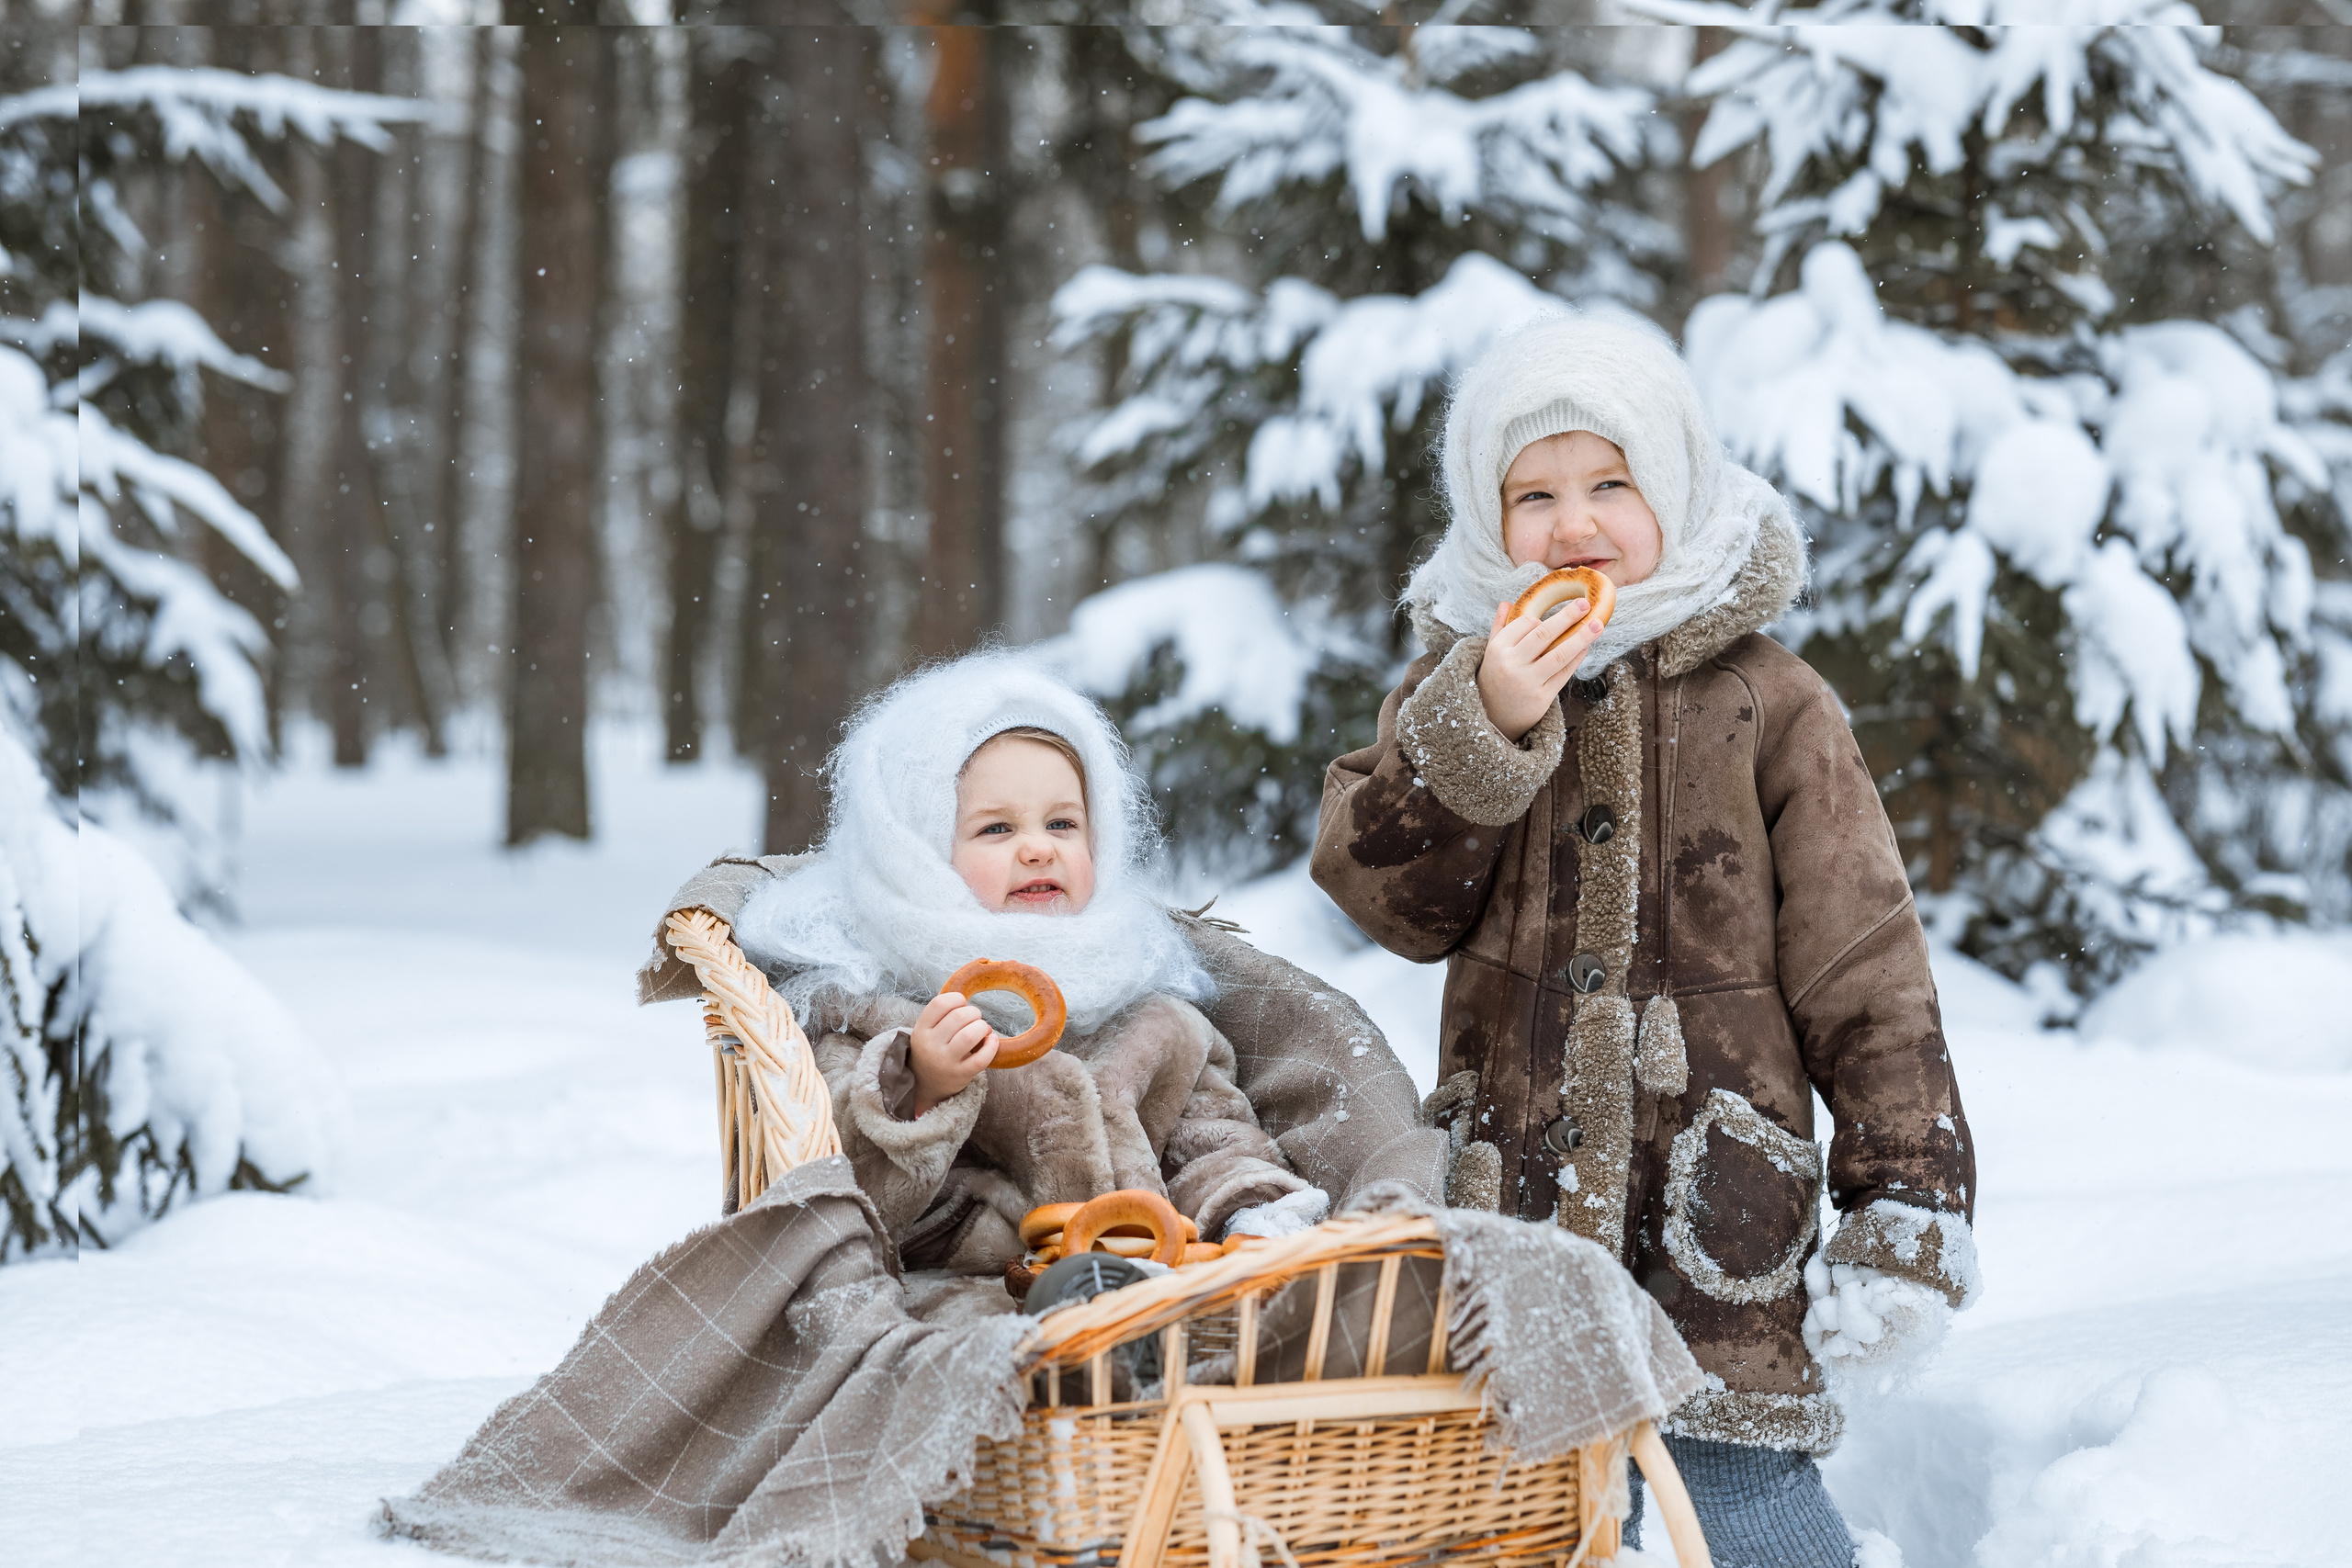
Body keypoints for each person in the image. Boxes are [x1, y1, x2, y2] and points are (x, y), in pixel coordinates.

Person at [1311, 310, 1980, 1566]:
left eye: (1610, 484)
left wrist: (1904, 1200)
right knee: (1521, 1513)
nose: (1573, 524)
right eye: (1534, 494)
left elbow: (1866, 962)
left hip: (1713, 1208)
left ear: (1673, 485)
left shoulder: (1769, 698)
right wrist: (1486, 725)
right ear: (1486, 518)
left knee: (1739, 1492)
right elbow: (1388, 901)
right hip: (1514, 1199)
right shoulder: (1460, 687)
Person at [727, 651, 1330, 1279]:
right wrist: (919, 1087)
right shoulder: (868, 1006)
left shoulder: (1153, 1012)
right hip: (962, 1288)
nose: (1039, 847)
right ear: (918, 856)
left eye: (1062, 823)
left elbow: (1210, 1139)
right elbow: (836, 1191)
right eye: (997, 829)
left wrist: (1250, 1209)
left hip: (1150, 1281)